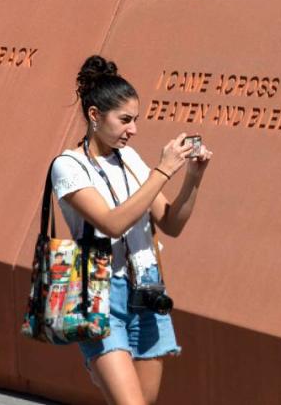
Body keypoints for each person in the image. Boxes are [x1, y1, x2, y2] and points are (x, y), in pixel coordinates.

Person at [51, 55, 211, 405]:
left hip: (147, 288)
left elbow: (171, 224)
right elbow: (111, 222)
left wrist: (193, 180)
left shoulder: (132, 160)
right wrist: (163, 171)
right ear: (95, 115)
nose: (133, 129)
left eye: (135, 120)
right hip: (100, 292)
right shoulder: (69, 167)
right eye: (125, 120)